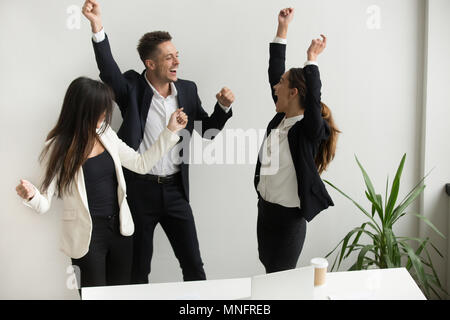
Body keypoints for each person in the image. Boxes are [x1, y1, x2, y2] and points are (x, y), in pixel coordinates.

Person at [82, 0, 235, 284]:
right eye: (169, 57)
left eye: (177, 55)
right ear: (150, 64)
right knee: (138, 269)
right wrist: (97, 26)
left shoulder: (187, 90)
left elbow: (207, 130)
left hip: (176, 190)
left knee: (193, 264)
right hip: (140, 191)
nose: (177, 61)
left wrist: (222, 108)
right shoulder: (131, 87)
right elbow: (108, 71)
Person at [15, 77, 187, 290]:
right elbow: (44, 204)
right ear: (82, 110)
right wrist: (31, 196)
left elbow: (140, 164)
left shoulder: (105, 133)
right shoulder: (58, 146)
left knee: (121, 295)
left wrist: (170, 131)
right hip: (86, 237)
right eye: (100, 110)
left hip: (120, 231)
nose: (105, 115)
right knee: (93, 297)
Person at [254, 8, 340, 273]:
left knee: (280, 277)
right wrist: (282, 29)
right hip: (265, 211)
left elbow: (313, 101)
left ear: (292, 93)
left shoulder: (308, 130)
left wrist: (311, 59)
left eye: (280, 84)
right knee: (269, 268)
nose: (274, 87)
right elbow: (274, 70)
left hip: (288, 220)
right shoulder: (279, 120)